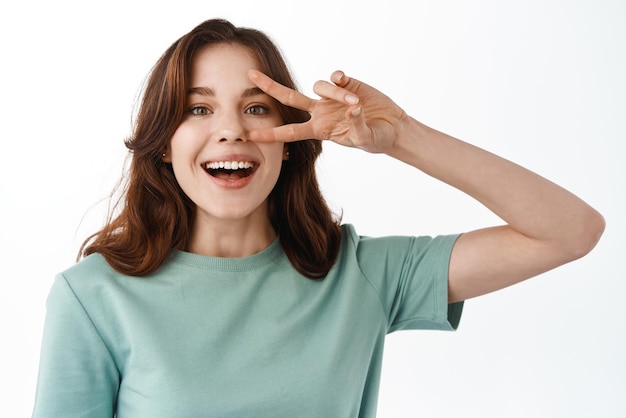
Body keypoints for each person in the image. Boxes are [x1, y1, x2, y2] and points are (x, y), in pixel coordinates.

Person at [31, 18, 604, 417]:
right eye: (198, 109)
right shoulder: (94, 299)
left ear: (290, 142)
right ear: (163, 143)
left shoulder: (358, 275)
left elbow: (570, 231)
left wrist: (401, 136)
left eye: (256, 109)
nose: (230, 129)